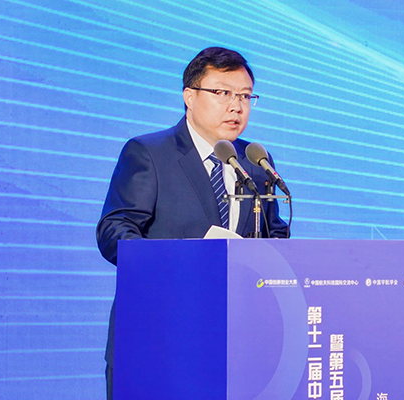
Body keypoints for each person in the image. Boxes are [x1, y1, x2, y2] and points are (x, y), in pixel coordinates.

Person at [96, 46, 290, 398]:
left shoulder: (255, 161)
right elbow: (115, 231)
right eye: (222, 93)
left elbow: (273, 233)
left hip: (237, 340)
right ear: (189, 96)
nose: (236, 106)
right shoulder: (149, 152)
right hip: (160, 335)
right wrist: (180, 263)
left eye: (245, 96)